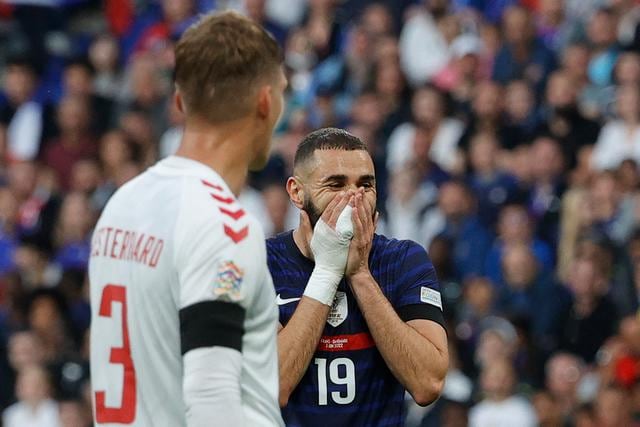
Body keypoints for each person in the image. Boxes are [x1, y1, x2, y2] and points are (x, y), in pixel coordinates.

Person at [89, 11, 287, 426]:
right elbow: (211, 398)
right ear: (266, 102)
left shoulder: (121, 205)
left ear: (179, 102)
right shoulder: (224, 224)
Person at [267, 128, 448, 426]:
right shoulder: (263, 265)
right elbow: (272, 385)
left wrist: (360, 274)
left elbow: (428, 383)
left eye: (366, 184)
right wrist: (327, 271)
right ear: (297, 193)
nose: (354, 197)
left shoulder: (403, 260)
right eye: (336, 184)